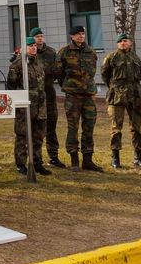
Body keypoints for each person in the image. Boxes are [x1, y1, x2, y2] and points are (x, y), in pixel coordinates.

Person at [55, 25, 100, 171]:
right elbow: (59, 73)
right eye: (78, 34)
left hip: (89, 95)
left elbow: (92, 71)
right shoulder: (64, 52)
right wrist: (69, 86)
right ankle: (74, 159)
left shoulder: (90, 51)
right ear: (71, 36)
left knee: (89, 127)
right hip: (73, 95)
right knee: (73, 126)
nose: (81, 36)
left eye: (82, 33)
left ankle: (88, 159)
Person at [102, 33, 141, 170]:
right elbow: (105, 75)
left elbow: (138, 77)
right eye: (120, 41)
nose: (123, 43)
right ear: (117, 44)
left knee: (137, 128)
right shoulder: (111, 57)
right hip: (117, 96)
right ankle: (115, 157)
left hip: (134, 96)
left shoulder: (135, 58)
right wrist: (115, 88)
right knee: (116, 128)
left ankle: (138, 157)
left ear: (130, 42)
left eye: (125, 41)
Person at [7, 37, 48, 176]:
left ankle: (37, 163)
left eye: (35, 45)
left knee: (38, 136)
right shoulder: (18, 65)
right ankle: (21, 164)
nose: (33, 48)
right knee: (22, 135)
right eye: (30, 46)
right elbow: (11, 85)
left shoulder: (39, 63)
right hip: (24, 106)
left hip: (40, 106)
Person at [31, 28, 63, 168]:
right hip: (34, 97)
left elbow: (56, 71)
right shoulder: (30, 52)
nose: (40, 39)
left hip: (49, 94)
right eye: (37, 36)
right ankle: (36, 159)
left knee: (51, 125)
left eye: (41, 36)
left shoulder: (51, 52)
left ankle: (53, 156)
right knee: (36, 129)